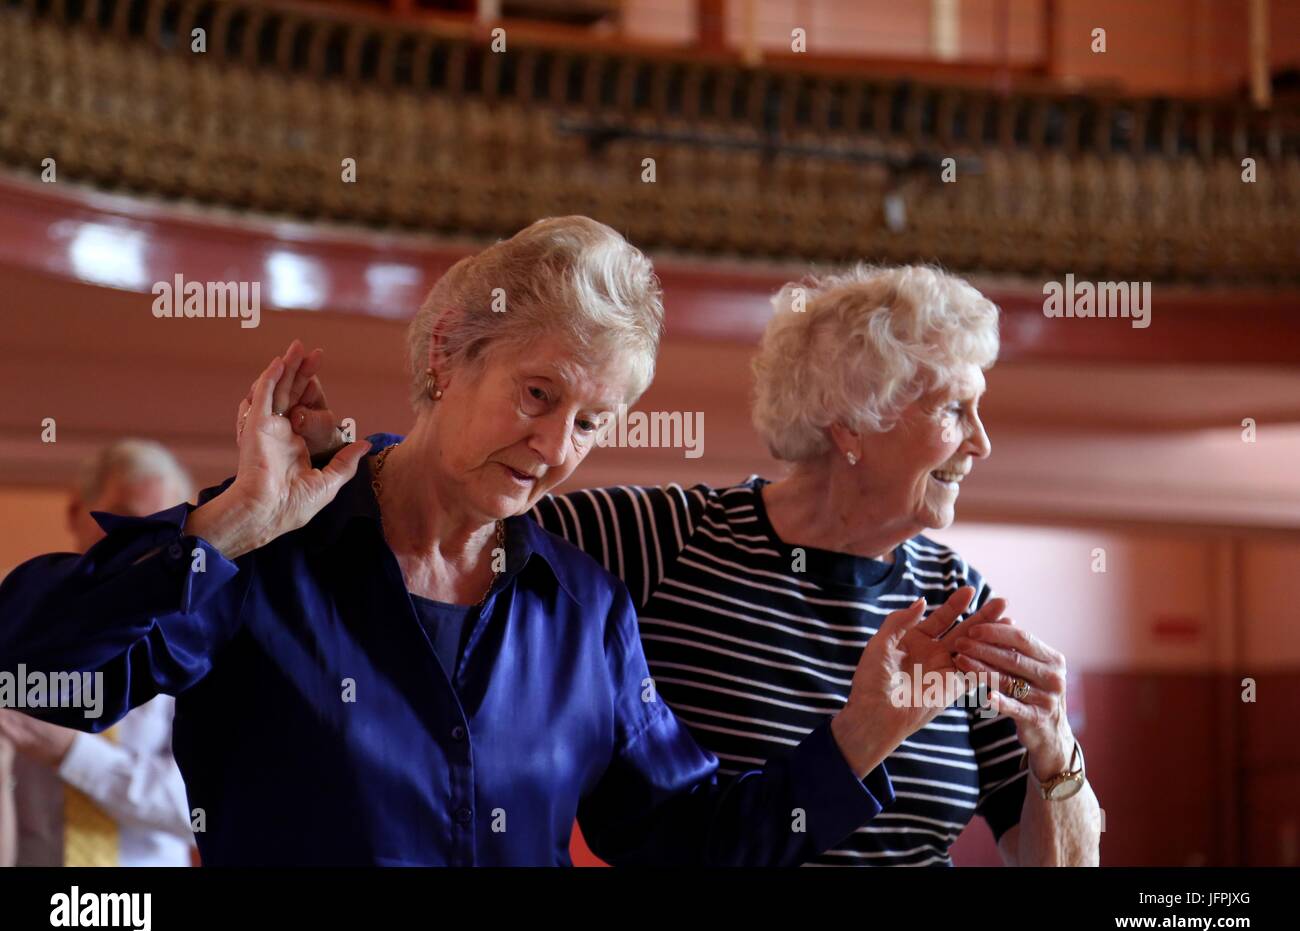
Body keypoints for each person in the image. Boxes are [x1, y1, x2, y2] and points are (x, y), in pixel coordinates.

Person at [0, 218, 998, 866]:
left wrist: (863, 729)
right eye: (537, 392)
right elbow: (31, 676)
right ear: (448, 355)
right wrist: (230, 523)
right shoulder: (267, 552)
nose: (556, 445)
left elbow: (684, 838)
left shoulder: (586, 609)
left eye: (592, 421)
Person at [292, 262, 1101, 866]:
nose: (981, 441)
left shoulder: (958, 600)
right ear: (854, 422)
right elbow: (452, 518)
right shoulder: (649, 539)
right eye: (955, 408)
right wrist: (332, 474)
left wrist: (1056, 750)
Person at [0, 440, 195, 867]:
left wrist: (72, 753)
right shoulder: (12, 620)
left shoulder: (197, 640)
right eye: (123, 518)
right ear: (76, 511)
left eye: (161, 525)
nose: (142, 541)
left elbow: (197, 810)